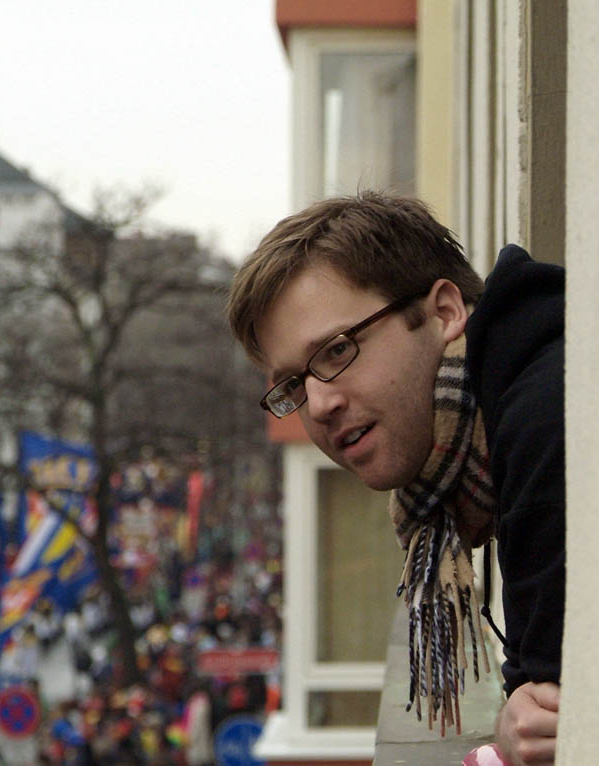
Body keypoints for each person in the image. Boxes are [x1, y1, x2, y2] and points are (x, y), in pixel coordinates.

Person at [227, 192, 564, 765]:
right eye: (292, 386)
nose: (320, 404)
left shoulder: (547, 421)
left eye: (336, 350)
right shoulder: (491, 445)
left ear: (444, 313)